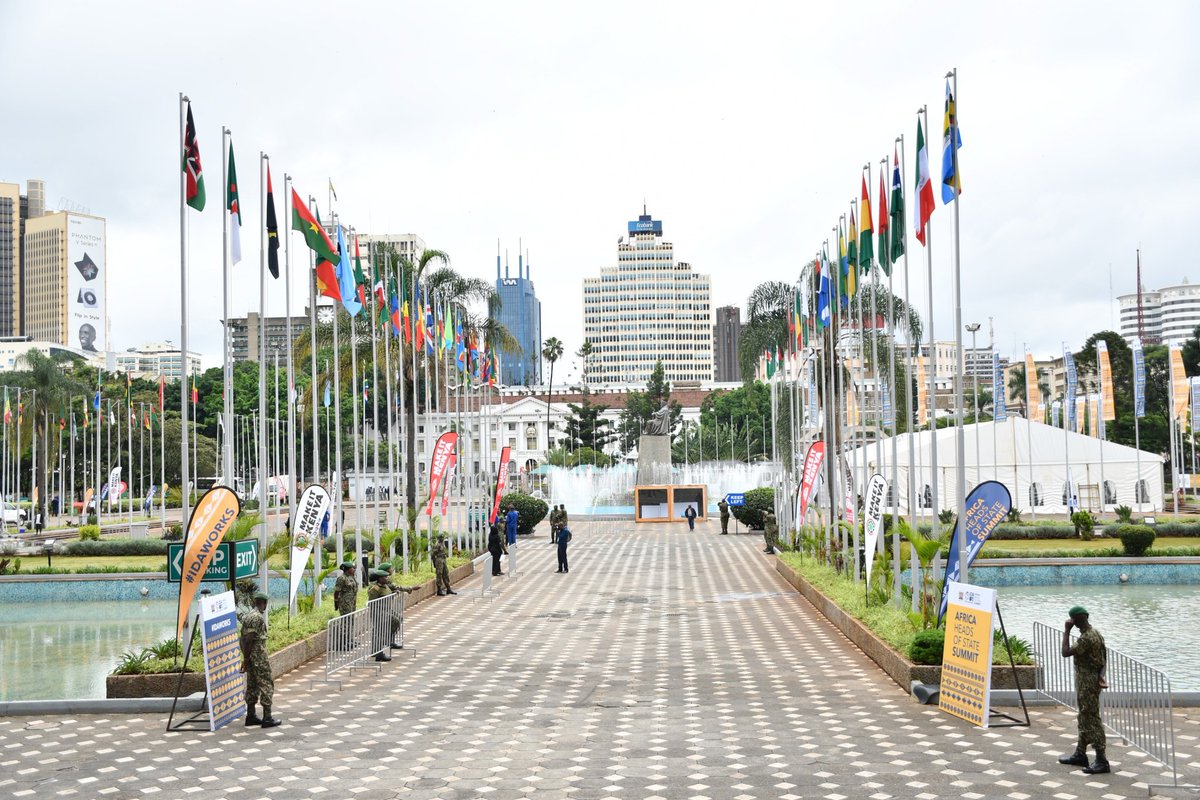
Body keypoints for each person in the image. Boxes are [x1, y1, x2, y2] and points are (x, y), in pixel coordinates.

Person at [1058, 606, 1110, 774]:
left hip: (1087, 682)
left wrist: (1066, 631)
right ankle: (1081, 753)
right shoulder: (1096, 633)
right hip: (1090, 680)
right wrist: (1101, 676)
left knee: (1091, 717)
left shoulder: (1087, 638)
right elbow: (1104, 660)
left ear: (1076, 620)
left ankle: (1102, 760)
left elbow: (1065, 652)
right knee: (1084, 715)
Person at [239, 591, 280, 728]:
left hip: (250, 655)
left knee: (252, 684)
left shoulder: (248, 616)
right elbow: (249, 639)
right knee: (266, 683)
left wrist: (245, 657)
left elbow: (242, 639)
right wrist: (246, 658)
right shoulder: (257, 618)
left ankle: (251, 716)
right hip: (258, 655)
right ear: (264, 603)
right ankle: (267, 717)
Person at [365, 571, 393, 662]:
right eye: (385, 577)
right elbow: (371, 602)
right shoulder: (375, 589)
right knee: (378, 632)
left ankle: (379, 652)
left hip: (384, 611)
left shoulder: (385, 586)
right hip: (378, 612)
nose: (387, 578)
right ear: (380, 578)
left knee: (382, 631)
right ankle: (378, 653)